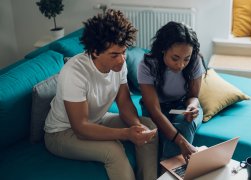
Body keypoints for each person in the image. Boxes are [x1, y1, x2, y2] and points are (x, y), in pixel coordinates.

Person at [44, 9, 158, 180]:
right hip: (61, 133)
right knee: (113, 150)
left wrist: (137, 127)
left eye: (123, 52)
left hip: (96, 120)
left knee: (147, 126)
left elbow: (125, 103)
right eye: (114, 55)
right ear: (95, 52)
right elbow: (81, 128)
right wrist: (127, 134)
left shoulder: (119, 64)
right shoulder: (75, 73)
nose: (122, 59)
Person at [138, 21, 207, 162]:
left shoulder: (195, 61)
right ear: (163, 49)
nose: (181, 65)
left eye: (186, 59)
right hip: (156, 109)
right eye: (175, 58)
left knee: (185, 123)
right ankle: (173, 171)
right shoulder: (147, 65)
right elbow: (155, 112)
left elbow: (193, 96)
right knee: (162, 132)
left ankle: (167, 172)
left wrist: (192, 106)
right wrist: (182, 142)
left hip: (181, 106)